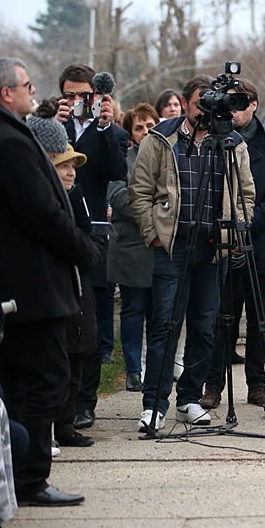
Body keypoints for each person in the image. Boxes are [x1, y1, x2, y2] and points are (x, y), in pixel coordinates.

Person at [0, 57, 100, 506]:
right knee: (46, 380)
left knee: (19, 384)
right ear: (6, 94)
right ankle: (30, 479)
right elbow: (42, 214)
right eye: (27, 85)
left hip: (16, 285)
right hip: (32, 287)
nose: (34, 92)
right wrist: (85, 250)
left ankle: (13, 483)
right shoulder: (9, 141)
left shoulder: (7, 133)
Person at [129, 75, 256, 432]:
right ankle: (154, 404)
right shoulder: (160, 139)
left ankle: (188, 399)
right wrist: (153, 233)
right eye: (201, 101)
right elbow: (138, 191)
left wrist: (234, 231)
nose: (207, 109)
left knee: (204, 328)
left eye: (212, 101)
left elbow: (247, 194)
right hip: (172, 248)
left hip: (213, 250)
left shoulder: (232, 143)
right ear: (185, 103)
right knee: (165, 326)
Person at [201, 79, 265, 410]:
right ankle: (213, 384)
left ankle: (256, 383)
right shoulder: (211, 143)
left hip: (257, 244)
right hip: (219, 245)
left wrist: (245, 228)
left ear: (254, 104)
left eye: (241, 102)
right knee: (222, 318)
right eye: (230, 102)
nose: (234, 109)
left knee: (257, 321)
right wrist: (225, 234)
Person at [54, 64, 129, 429]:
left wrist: (103, 128)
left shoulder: (109, 131)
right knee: (60, 319)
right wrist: (55, 124)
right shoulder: (52, 128)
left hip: (95, 235)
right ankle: (59, 402)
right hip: (55, 231)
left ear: (97, 96)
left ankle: (87, 402)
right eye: (70, 95)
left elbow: (117, 171)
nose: (77, 102)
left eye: (84, 95)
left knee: (96, 324)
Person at [47, 144, 107, 449]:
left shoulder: (77, 194)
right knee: (56, 363)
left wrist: (92, 250)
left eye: (73, 166)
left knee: (79, 355)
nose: (70, 172)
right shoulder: (45, 199)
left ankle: (67, 423)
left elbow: (91, 234)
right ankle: (50, 426)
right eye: (63, 166)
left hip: (81, 286)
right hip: (57, 288)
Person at [110, 104, 160, 393]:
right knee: (133, 310)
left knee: (158, 314)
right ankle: (132, 368)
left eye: (151, 125)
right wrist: (154, 214)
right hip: (131, 247)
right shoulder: (122, 160)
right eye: (139, 127)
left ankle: (155, 367)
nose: (146, 131)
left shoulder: (167, 158)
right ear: (130, 133)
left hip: (160, 249)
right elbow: (118, 196)